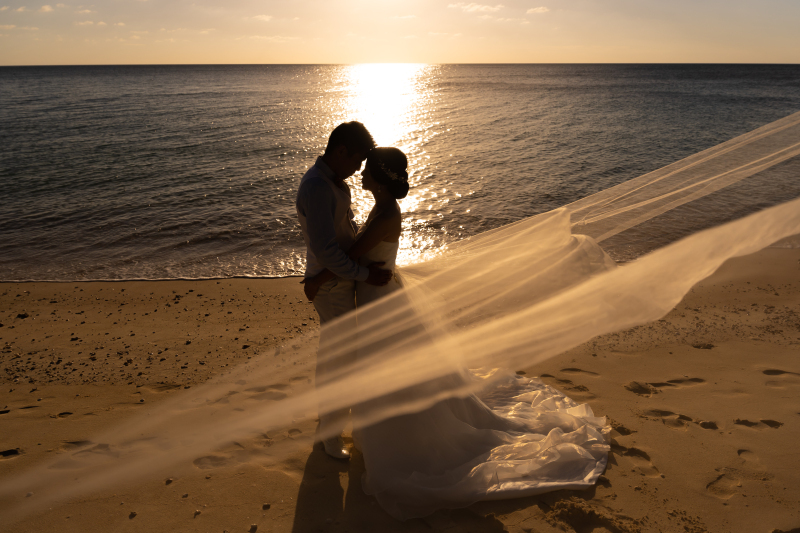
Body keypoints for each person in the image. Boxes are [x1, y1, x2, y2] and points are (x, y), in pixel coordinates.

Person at [302, 147, 609, 520]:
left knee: (390, 365)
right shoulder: (382, 209)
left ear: (380, 180)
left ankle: (403, 438)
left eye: (368, 171)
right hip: (377, 294)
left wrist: (317, 279)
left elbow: (352, 257)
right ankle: (380, 431)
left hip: (379, 298)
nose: (361, 174)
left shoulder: (385, 215)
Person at [295, 122, 393, 460]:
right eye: (358, 160)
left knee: (340, 358)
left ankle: (328, 427)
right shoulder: (317, 188)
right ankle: (330, 436)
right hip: (333, 284)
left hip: (339, 279)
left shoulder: (336, 183)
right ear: (340, 152)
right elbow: (326, 252)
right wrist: (364, 273)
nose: (360, 168)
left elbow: (344, 230)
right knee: (339, 362)